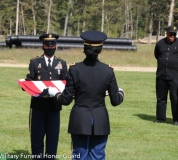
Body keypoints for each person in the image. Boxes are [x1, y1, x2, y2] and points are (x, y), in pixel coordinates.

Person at [47, 30, 124, 160]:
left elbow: (65, 100)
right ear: (100, 49)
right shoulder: (108, 71)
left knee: (79, 155)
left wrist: (56, 94)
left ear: (84, 48)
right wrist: (121, 92)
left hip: (80, 119)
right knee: (98, 156)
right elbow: (115, 100)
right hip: (100, 119)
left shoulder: (74, 69)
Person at [24, 33, 68, 159]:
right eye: (47, 45)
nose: (50, 47)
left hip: (54, 106)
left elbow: (66, 82)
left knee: (52, 138)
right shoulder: (34, 62)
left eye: (52, 45)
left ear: (56, 46)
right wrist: (25, 85)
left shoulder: (62, 63)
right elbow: (30, 80)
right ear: (43, 46)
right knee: (37, 138)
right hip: (38, 106)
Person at [154, 25, 178, 125]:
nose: (172, 36)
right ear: (167, 34)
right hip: (161, 76)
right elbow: (157, 55)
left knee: (176, 98)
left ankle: (177, 119)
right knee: (161, 98)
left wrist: (176, 64)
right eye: (171, 34)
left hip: (175, 77)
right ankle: (160, 118)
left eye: (174, 35)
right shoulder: (160, 44)